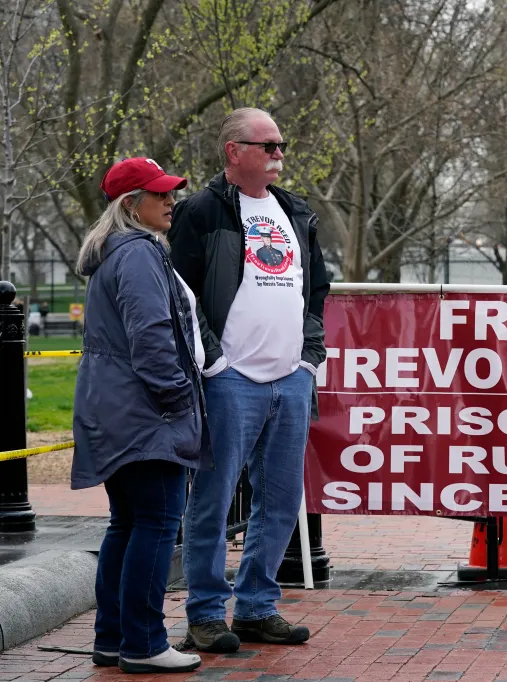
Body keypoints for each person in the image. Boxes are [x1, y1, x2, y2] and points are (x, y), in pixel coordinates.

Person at [170, 107, 329, 653]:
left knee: (282, 500)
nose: (280, 154)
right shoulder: (200, 212)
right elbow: (184, 298)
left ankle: (258, 607)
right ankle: (206, 613)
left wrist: (309, 358)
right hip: (230, 379)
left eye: (281, 145)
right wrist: (213, 363)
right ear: (235, 151)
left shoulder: (296, 212)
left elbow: (316, 294)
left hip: (290, 378)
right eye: (269, 145)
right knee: (213, 500)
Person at [71, 157, 209, 674]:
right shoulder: (138, 256)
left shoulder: (120, 253)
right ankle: (145, 642)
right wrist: (178, 400)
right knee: (154, 522)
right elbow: (151, 337)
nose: (171, 201)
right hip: (144, 412)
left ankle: (114, 639)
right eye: (160, 194)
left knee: (128, 523)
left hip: (119, 408)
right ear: (132, 205)